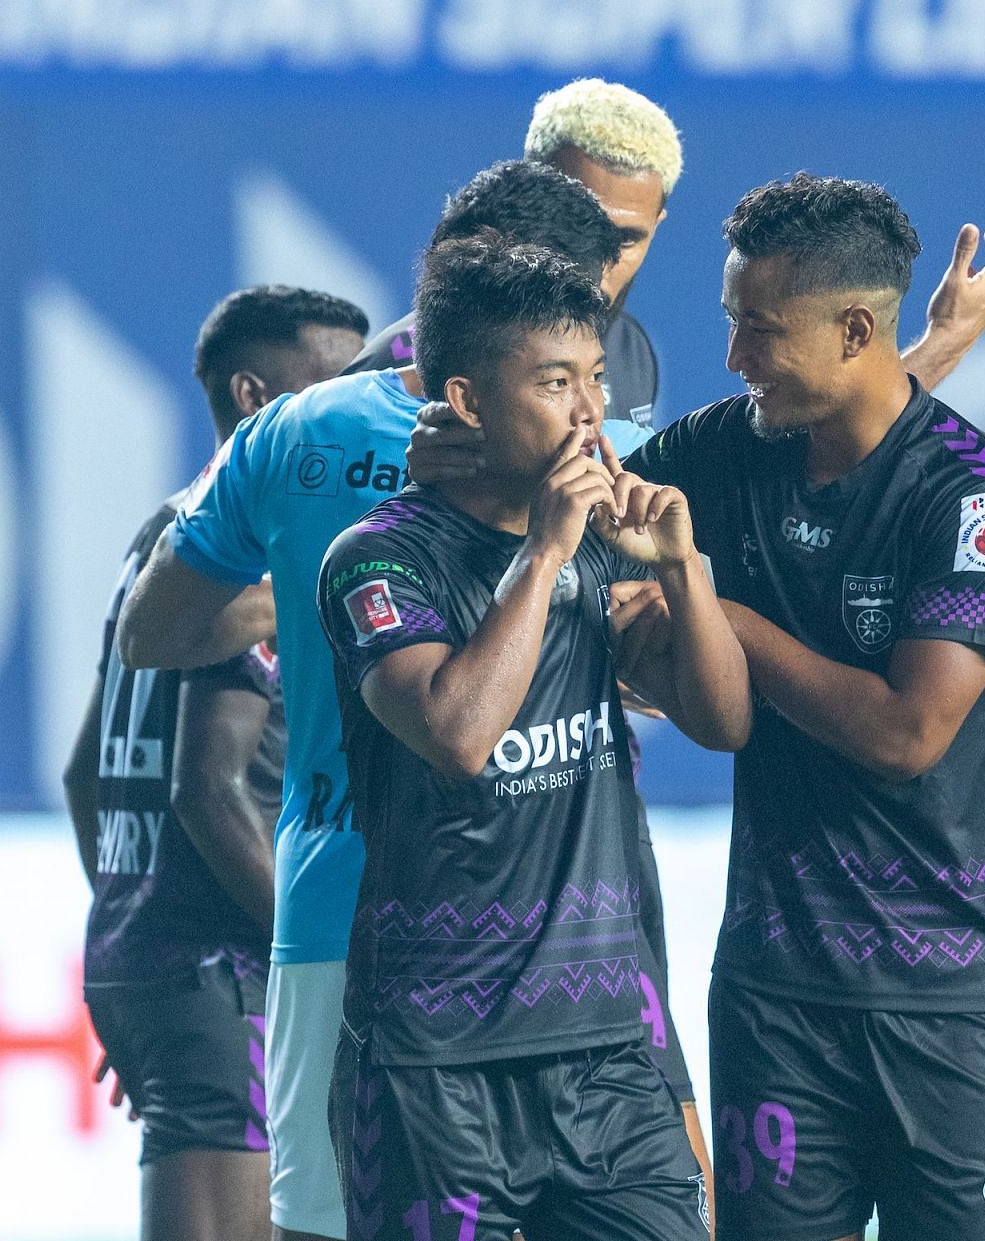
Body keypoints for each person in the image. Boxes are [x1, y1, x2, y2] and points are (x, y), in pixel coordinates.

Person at [113, 161, 628, 1241]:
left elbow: (150, 629)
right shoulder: (590, 463)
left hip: (339, 899)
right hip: (560, 923)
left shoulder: (290, 433)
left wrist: (306, 593)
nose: (589, 388)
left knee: (329, 1222)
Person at [611, 173, 985, 1241]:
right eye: (730, 323)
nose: (732, 356)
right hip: (778, 996)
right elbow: (582, 538)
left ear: (858, 328)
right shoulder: (722, 450)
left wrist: (719, 611)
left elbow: (909, 731)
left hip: (951, 1004)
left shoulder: (975, 495)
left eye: (759, 330)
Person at [318, 235, 749, 1239]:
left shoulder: (610, 550)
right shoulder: (378, 560)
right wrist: (552, 544)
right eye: (557, 382)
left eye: (595, 378)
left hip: (607, 1053)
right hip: (433, 1063)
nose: (590, 411)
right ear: (465, 401)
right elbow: (459, 731)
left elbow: (724, 721)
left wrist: (684, 571)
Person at [65, 285, 368, 1241]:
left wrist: (136, 942)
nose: (349, 403)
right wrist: (329, 971)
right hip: (223, 959)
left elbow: (84, 770)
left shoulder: (162, 536)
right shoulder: (255, 547)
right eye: (330, 381)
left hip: (165, 951)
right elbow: (208, 787)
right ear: (252, 393)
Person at [364, 77, 985, 436]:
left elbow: (745, 470)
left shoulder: (630, 354)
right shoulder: (405, 364)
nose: (593, 266)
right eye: (575, 226)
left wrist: (943, 341)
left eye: (623, 240)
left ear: (658, 224)